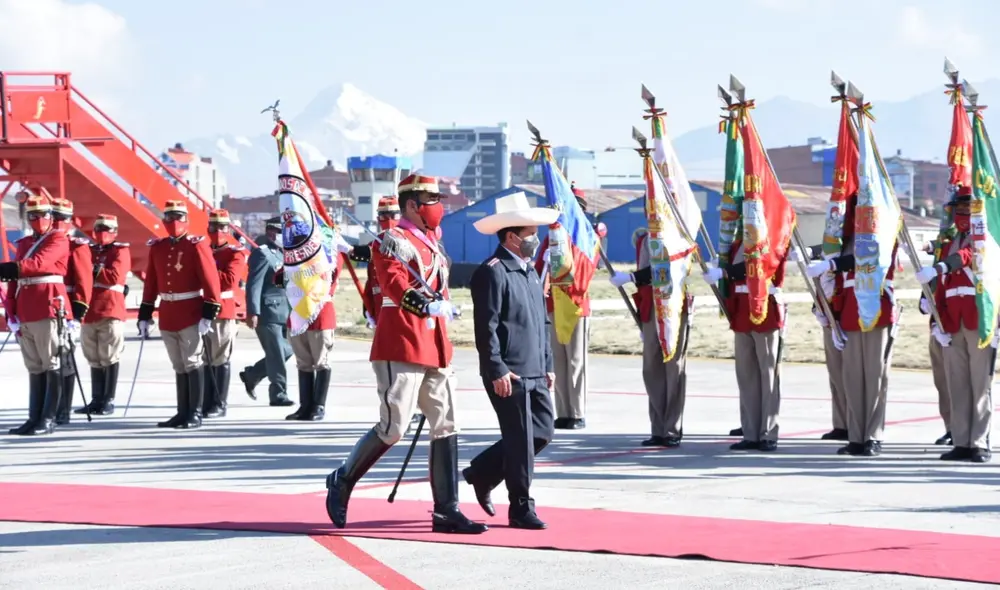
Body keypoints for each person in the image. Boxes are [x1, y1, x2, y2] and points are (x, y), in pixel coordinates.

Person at [324, 173, 486, 535]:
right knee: (394, 427)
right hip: (402, 340)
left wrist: (442, 308)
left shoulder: (431, 242)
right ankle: (342, 479)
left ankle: (447, 509)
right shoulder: (392, 241)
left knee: (446, 424)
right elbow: (395, 285)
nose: (438, 207)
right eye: (432, 201)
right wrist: (427, 306)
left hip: (434, 344)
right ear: (413, 205)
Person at [464, 192, 557, 529]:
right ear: (512, 237)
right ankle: (521, 507)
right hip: (509, 373)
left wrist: (548, 364)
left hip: (535, 369)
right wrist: (496, 369)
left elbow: (542, 322)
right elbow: (485, 328)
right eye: (531, 233)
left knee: (542, 432)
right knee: (519, 441)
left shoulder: (530, 271)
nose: (536, 239)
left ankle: (482, 472)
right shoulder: (492, 272)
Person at [807, 192, 900, 457]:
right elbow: (834, 261)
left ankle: (873, 436)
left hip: (876, 310)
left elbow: (866, 256)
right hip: (849, 311)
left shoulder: (883, 234)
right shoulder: (846, 240)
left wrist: (833, 263)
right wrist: (831, 314)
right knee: (853, 379)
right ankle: (856, 437)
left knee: (874, 377)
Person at [916, 186, 993, 463]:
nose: (962, 214)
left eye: (967, 209)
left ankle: (979, 442)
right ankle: (961, 441)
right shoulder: (948, 243)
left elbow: (966, 257)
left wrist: (939, 267)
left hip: (978, 320)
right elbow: (943, 286)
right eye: (958, 209)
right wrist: (938, 321)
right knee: (957, 385)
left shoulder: (985, 239)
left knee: (979, 385)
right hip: (952, 323)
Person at [137, 200, 223, 430]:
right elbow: (151, 283)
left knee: (192, 361)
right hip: (168, 312)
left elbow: (210, 280)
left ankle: (194, 413)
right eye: (169, 217)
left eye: (179, 216)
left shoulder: (196, 245)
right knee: (179, 364)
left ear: (186, 219)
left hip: (190, 311)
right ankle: (182, 412)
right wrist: (145, 314)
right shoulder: (158, 247)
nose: (174, 221)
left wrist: (209, 313)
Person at [702, 236, 790, 452]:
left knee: (767, 374)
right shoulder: (737, 243)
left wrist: (725, 272)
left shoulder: (771, 236)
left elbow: (759, 263)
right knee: (747, 376)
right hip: (742, 310)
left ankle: (768, 433)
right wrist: (723, 265)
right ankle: (750, 432)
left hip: (764, 308)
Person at [609, 227, 692, 447]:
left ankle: (672, 429)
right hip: (650, 305)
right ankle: (658, 428)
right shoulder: (645, 237)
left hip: (672, 304)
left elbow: (666, 266)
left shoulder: (677, 236)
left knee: (673, 368)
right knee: (651, 369)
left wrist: (631, 277)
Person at [1, 194, 70, 436]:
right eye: (32, 216)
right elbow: (14, 280)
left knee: (50, 361)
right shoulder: (24, 242)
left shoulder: (58, 238)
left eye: (42, 215)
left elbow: (39, 263)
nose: (37, 219)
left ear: (51, 216)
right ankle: (34, 417)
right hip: (26, 307)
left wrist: (10, 268)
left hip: (46, 305)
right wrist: (11, 308)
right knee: (34, 364)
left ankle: (48, 418)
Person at [533, 182, 592, 430]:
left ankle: (577, 412)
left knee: (576, 360)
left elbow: (585, 271)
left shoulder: (585, 237)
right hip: (554, 304)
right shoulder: (552, 237)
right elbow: (539, 270)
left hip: (575, 304)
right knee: (558, 360)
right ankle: (564, 411)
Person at [280, 232, 344, 422]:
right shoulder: (294, 260)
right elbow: (280, 278)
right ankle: (305, 405)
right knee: (303, 362)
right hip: (298, 314)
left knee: (321, 360)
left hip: (319, 314)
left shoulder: (328, 256)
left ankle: (318, 406)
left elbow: (330, 274)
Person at [79, 214, 130, 416]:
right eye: (99, 229)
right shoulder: (88, 250)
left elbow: (114, 276)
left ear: (115, 232)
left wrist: (91, 269)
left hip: (110, 308)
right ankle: (96, 399)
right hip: (89, 309)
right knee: (93, 356)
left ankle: (108, 399)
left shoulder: (120, 250)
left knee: (109, 354)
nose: (102, 233)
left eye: (107, 229)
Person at [240, 217, 294, 407]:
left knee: (288, 350)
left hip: (285, 311)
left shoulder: (283, 254)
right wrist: (253, 312)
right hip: (267, 312)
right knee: (277, 354)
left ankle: (253, 374)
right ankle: (278, 394)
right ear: (271, 233)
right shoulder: (262, 254)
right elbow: (253, 285)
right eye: (280, 233)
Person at [51, 198, 94, 425]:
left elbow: (84, 283)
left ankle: (63, 409)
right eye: (55, 217)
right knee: (47, 360)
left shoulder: (76, 246)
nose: (58, 221)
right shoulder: (44, 243)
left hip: (66, 308)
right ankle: (48, 407)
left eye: (63, 218)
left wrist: (77, 315)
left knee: (65, 360)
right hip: (46, 307)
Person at [202, 209, 248, 418]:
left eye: (222, 227)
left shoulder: (234, 253)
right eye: (214, 226)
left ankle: (219, 402)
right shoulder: (203, 250)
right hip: (202, 309)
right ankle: (205, 400)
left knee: (219, 357)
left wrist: (205, 270)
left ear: (228, 229)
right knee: (204, 357)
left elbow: (229, 280)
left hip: (222, 310)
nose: (218, 231)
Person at [920, 241, 953, 446]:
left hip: (957, 326)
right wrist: (924, 299)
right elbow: (931, 283)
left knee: (960, 383)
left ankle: (965, 429)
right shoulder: (941, 250)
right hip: (937, 326)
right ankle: (950, 428)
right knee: (942, 382)